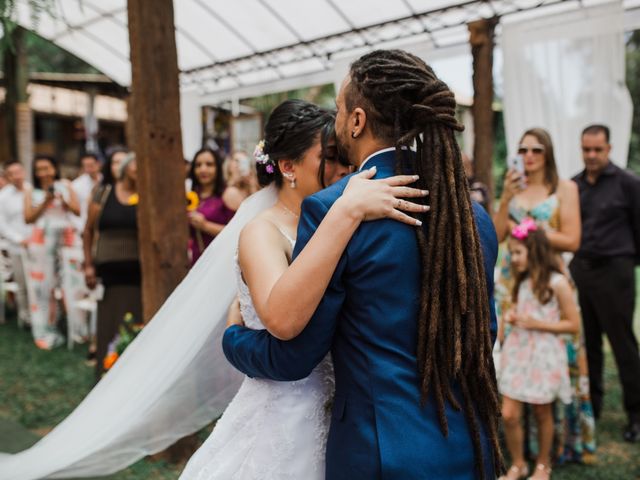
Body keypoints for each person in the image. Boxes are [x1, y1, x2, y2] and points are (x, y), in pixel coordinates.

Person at [0, 102, 424, 480]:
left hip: (342, 415)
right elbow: (285, 321)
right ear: (289, 166)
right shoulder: (263, 232)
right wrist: (236, 335)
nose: (343, 170)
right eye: (329, 159)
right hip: (284, 412)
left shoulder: (341, 222)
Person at [222, 50, 501, 479]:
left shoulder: (333, 210)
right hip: (469, 447)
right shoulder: (471, 216)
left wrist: (233, 339)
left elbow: (297, 355)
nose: (335, 124)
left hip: (381, 455)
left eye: (337, 110)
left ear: (356, 120)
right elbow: (485, 332)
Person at [493, 127, 595, 463]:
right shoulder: (513, 188)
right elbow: (496, 236)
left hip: (548, 282)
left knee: (558, 355)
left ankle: (561, 442)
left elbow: (572, 240)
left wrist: (531, 232)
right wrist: (506, 198)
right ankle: (516, 447)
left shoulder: (564, 188)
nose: (529, 155)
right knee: (515, 354)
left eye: (536, 149)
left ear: (547, 153)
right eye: (523, 150)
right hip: (513, 283)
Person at [569, 124, 640, 443]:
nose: (592, 155)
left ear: (609, 149)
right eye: (586, 149)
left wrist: (625, 264)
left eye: (597, 149)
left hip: (616, 272)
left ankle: (636, 415)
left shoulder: (628, 183)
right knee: (590, 345)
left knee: (623, 344)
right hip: (581, 271)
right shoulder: (573, 185)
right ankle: (593, 409)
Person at [499, 221, 580, 480]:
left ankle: (543, 464)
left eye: (518, 253)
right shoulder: (521, 281)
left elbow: (573, 324)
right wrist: (513, 317)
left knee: (542, 412)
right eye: (512, 252)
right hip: (518, 352)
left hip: (544, 355)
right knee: (509, 413)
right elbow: (520, 310)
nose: (513, 258)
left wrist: (537, 323)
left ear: (534, 252)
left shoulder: (557, 283)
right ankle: (519, 463)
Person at [82, 150, 142, 379]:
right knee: (108, 325)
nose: (139, 171)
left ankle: (133, 378)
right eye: (135, 165)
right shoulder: (104, 193)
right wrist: (88, 265)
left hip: (138, 275)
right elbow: (87, 230)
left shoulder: (146, 196)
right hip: (109, 276)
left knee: (136, 325)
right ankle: (104, 377)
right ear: (125, 167)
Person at [23, 155, 80, 349]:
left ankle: (76, 327)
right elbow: (28, 218)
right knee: (42, 288)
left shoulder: (65, 185)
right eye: (39, 169)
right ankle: (45, 328)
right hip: (42, 242)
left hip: (66, 239)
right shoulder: (31, 190)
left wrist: (63, 200)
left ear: (54, 168)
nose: (44, 172)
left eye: (47, 168)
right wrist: (46, 201)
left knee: (72, 284)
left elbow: (77, 210)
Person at [187, 148, 235, 264]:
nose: (203, 169)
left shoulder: (229, 194)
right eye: (198, 165)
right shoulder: (191, 196)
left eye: (209, 164)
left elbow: (238, 233)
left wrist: (205, 225)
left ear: (218, 168)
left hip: (221, 262)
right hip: (196, 261)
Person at [0, 161, 32, 326]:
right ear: (8, 176)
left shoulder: (32, 190)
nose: (17, 176)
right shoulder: (3, 197)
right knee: (22, 284)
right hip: (16, 247)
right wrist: (20, 239)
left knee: (36, 283)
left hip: (36, 245)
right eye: (12, 173)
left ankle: (39, 316)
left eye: (19, 171)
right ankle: (24, 317)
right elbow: (2, 225)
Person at [71, 152, 102, 233]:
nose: (89, 169)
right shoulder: (76, 185)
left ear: (98, 164)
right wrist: (80, 227)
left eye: (91, 165)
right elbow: (74, 209)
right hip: (84, 226)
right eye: (86, 166)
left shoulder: (106, 180)